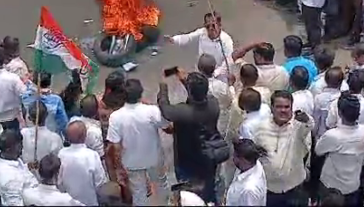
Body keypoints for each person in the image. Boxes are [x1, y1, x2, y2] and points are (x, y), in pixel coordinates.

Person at [157, 70, 219, 204]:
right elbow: (198, 95)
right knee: (209, 189)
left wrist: (163, 86)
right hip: (209, 156)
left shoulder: (183, 112)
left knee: (188, 194)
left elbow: (165, 108)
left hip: (187, 161)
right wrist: (186, 82)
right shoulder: (214, 104)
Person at [106, 78, 167, 206]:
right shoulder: (152, 111)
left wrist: (119, 168)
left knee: (138, 193)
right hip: (154, 158)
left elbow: (115, 147)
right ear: (141, 94)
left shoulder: (115, 117)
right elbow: (167, 127)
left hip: (131, 162)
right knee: (161, 184)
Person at [252, 90, 312, 205]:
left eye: (286, 107)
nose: (283, 110)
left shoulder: (299, 128)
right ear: (272, 108)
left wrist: (306, 119)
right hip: (269, 189)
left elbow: (309, 125)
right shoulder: (260, 128)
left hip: (294, 188)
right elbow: (254, 152)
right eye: (279, 107)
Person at [316, 93, 364, 205]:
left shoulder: (332, 135)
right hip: (352, 185)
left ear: (339, 113)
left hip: (331, 187)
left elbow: (318, 150)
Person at [166, 12, 235, 81]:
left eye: (213, 25)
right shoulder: (202, 32)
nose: (210, 28)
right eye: (207, 26)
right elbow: (188, 37)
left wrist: (216, 73)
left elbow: (229, 61)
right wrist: (174, 39)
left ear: (219, 25)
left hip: (219, 76)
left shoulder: (226, 41)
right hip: (202, 71)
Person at [57, 121, 107, 206]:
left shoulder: (61, 154)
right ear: (84, 135)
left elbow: (59, 181)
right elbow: (100, 182)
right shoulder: (92, 155)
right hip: (89, 202)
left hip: (67, 202)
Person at [0, 129, 39, 206]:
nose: (22, 148)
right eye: (19, 146)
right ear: (8, 149)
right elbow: (15, 203)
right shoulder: (10, 180)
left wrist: (27, 166)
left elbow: (18, 172)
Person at [226, 138, 268, 206]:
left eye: (235, 156)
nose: (233, 157)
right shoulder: (254, 164)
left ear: (243, 160)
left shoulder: (249, 190)